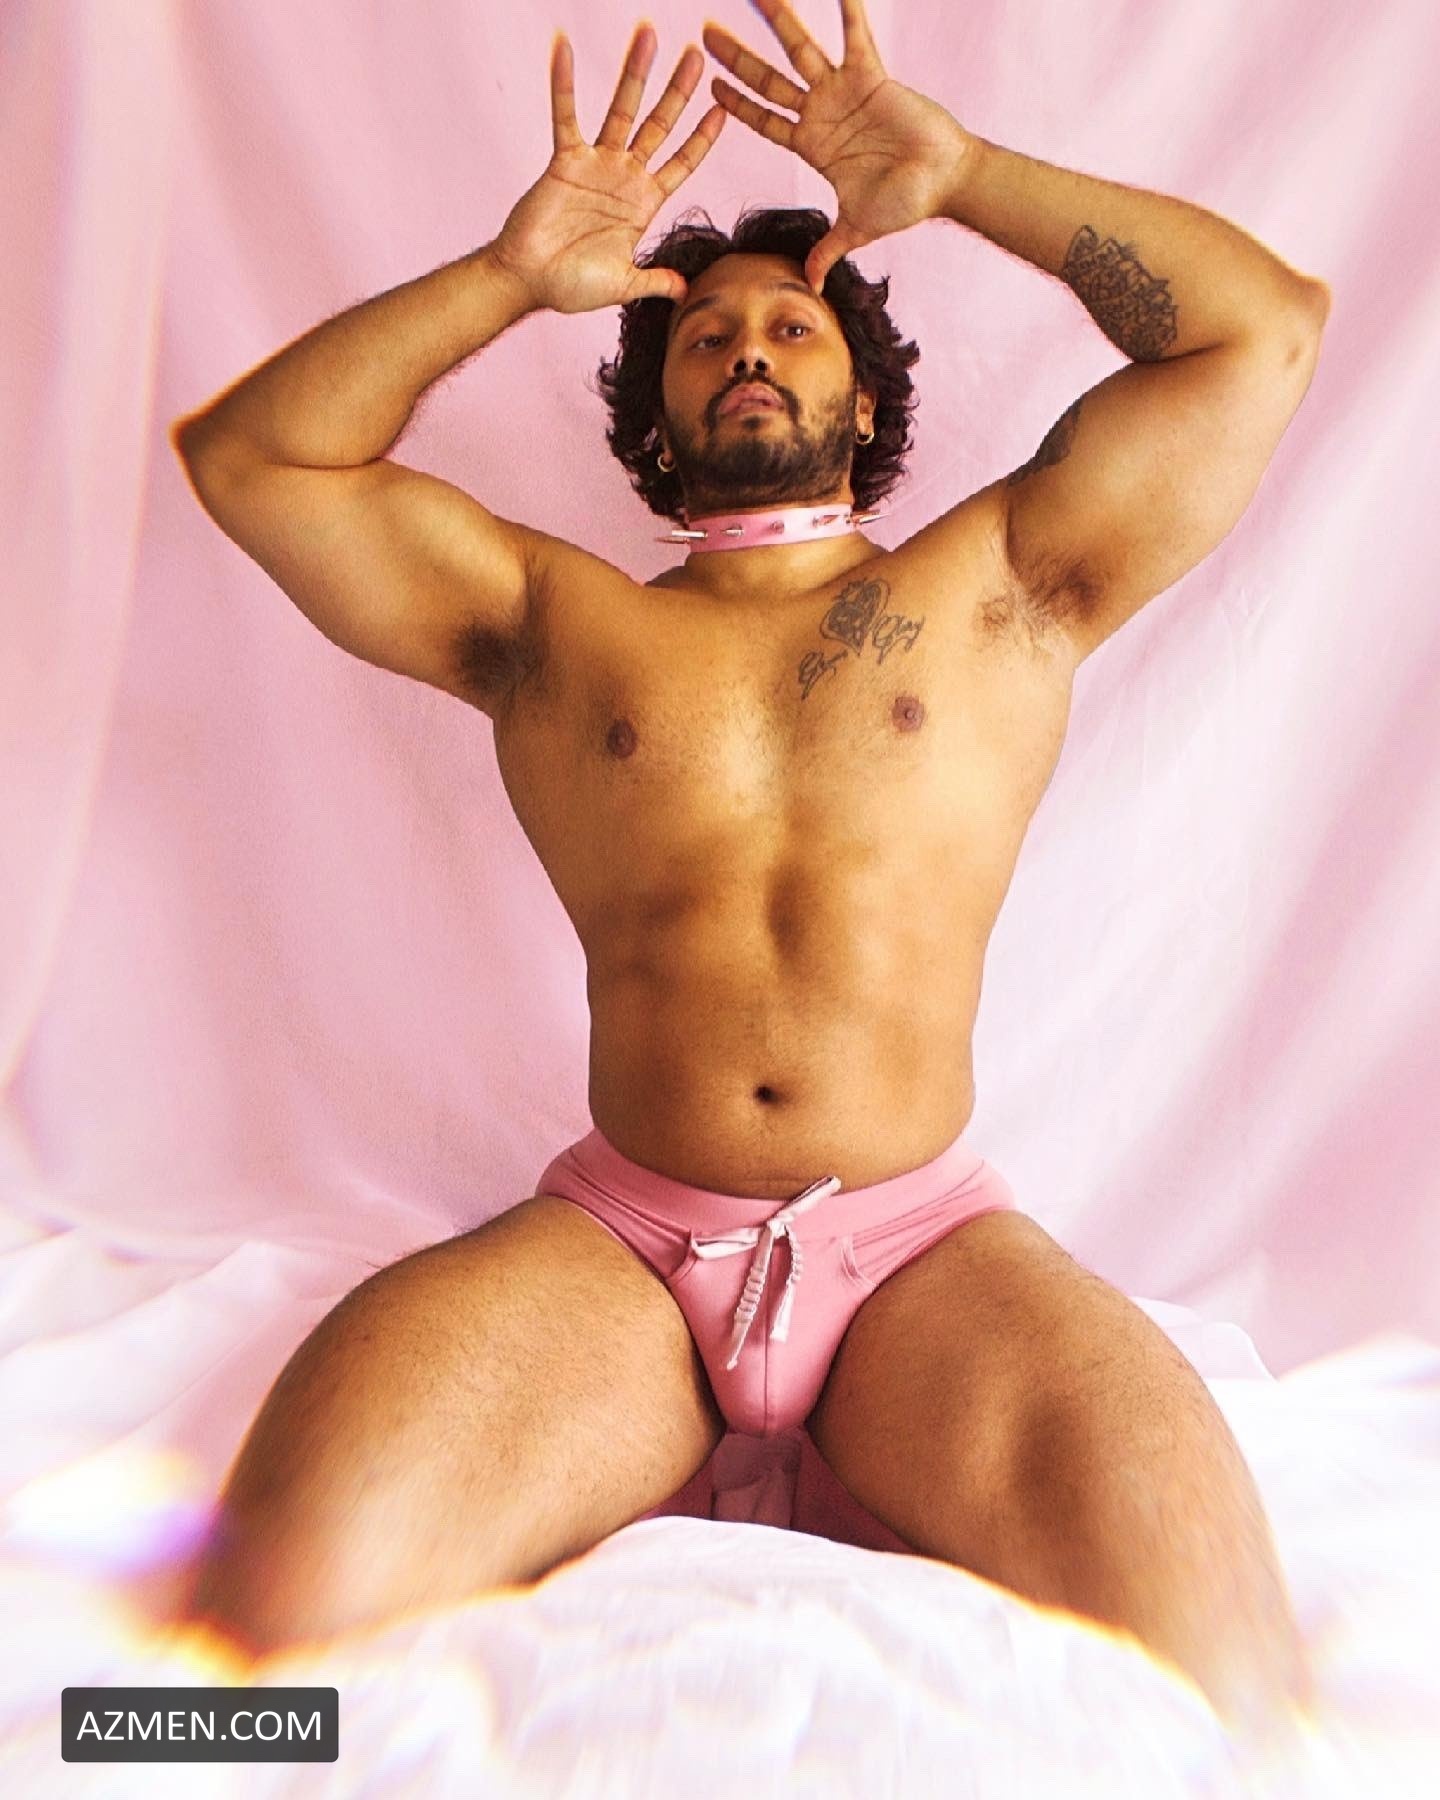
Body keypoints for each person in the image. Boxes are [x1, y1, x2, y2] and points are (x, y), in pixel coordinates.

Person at [170, 2, 1328, 1752]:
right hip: (622, 1256)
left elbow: (1263, 330)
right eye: (703, 334)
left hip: (923, 1258)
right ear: (654, 406)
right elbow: (252, 458)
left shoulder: (1005, 582)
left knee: (1232, 1680)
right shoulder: (554, 623)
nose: (748, 349)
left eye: (794, 324)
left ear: (866, 393)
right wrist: (506, 275)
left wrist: (968, 174)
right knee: (259, 1637)